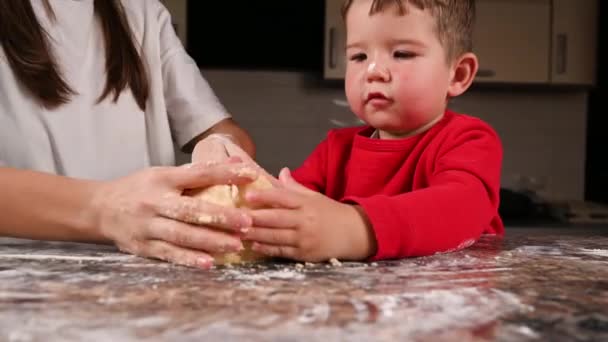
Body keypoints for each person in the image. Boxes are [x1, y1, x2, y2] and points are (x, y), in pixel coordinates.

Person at [0, 0, 260, 269]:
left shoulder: (140, 12)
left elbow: (225, 132)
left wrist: (220, 146)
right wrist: (105, 210)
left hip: (140, 274)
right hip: (20, 280)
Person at [239, 0, 504, 262]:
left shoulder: (469, 140)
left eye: (402, 54)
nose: (373, 71)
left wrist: (354, 229)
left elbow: (460, 210)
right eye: (359, 56)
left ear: (457, 75)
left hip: (448, 300)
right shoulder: (336, 150)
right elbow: (286, 206)